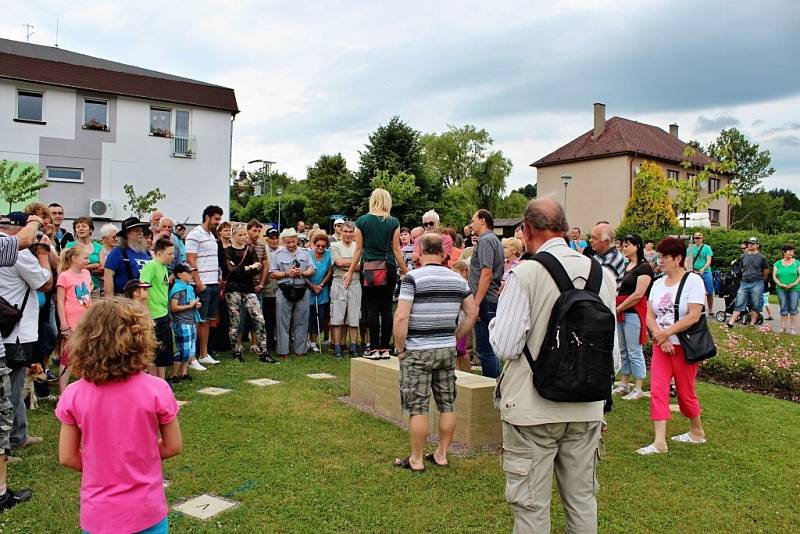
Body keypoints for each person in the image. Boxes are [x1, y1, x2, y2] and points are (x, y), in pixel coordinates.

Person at [489, 198, 618, 533]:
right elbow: (612, 355)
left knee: (531, 507)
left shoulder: (525, 274)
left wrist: (494, 322)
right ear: (564, 228)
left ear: (527, 230)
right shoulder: (602, 276)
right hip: (587, 406)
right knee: (582, 501)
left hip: (533, 407)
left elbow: (505, 345)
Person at [56, 298, 182, 534]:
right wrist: (139, 461)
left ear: (84, 340)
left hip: (99, 515)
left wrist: (103, 466)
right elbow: (173, 446)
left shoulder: (73, 394)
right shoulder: (157, 389)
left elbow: (67, 456)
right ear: (141, 340)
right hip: (147, 510)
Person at [392, 233, 477, 472]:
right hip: (446, 349)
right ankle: (441, 454)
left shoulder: (412, 278)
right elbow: (472, 313)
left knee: (418, 406)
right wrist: (456, 336)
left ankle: (417, 459)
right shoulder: (458, 280)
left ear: (419, 252)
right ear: (443, 254)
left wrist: (400, 348)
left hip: (418, 349)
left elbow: (401, 316)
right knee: (447, 403)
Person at [638, 237, 707, 455]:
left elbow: (694, 316)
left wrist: (666, 334)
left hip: (685, 347)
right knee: (658, 390)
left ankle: (697, 431)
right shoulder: (658, 283)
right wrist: (661, 338)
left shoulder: (693, 281)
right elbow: (649, 314)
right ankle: (659, 441)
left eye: (664, 257)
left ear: (677, 258)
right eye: (659, 256)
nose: (660, 260)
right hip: (662, 346)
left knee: (686, 393)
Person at [0, 206, 48, 511]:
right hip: (18, 332)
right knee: (13, 388)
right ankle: (15, 438)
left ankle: (18, 434)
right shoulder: (18, 253)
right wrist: (41, 248)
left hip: (12, 330)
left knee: (15, 386)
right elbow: (45, 281)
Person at [345, 188, 408, 359]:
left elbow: (358, 249)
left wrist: (350, 271)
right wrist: (406, 271)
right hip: (388, 267)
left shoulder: (362, 221)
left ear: (372, 200)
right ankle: (385, 348)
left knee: (372, 309)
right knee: (387, 309)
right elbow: (396, 249)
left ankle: (373, 348)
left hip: (371, 267)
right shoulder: (393, 222)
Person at [612, 234, 653, 400]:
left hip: (632, 313)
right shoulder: (626, 266)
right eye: (623, 245)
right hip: (621, 312)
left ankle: (638, 387)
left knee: (634, 350)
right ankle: (624, 383)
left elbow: (638, 294)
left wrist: (620, 308)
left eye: (628, 245)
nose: (624, 248)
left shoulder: (644, 268)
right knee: (623, 349)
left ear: (637, 246)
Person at [224, 224, 272, 362]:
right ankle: (236, 351)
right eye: (240, 235)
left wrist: (245, 269)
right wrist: (247, 268)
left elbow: (257, 268)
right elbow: (230, 269)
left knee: (259, 318)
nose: (243, 237)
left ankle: (264, 351)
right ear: (233, 235)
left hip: (248, 287)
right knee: (235, 321)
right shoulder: (228, 250)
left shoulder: (250, 250)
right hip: (232, 288)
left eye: (245, 235)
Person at [185, 206, 223, 367]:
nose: (218, 222)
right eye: (216, 219)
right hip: (202, 284)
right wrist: (198, 282)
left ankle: (204, 354)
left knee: (207, 320)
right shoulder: (194, 234)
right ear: (207, 217)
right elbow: (191, 260)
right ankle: (192, 357)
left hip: (213, 283)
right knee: (198, 321)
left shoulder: (212, 236)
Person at [468, 208, 504, 378]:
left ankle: (492, 388)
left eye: (473, 220)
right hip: (489, 300)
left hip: (484, 301)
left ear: (482, 220)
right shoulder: (494, 240)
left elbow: (486, 273)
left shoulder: (485, 240)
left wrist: (475, 304)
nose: (471, 224)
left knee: (485, 349)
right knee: (490, 348)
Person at [271, 228, 315, 359]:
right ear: (283, 242)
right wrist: (286, 273)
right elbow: (272, 274)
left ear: (297, 239)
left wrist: (301, 273)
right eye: (288, 242)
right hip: (284, 289)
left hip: (302, 289)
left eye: (293, 241)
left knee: (302, 321)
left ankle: (300, 350)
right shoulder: (277, 254)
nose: (291, 244)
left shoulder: (305, 253)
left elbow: (312, 270)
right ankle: (282, 351)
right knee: (282, 321)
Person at [55, 247, 93, 394]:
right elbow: (60, 302)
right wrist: (63, 323)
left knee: (85, 355)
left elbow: (88, 295)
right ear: (74, 259)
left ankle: (84, 389)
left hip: (86, 321)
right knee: (68, 357)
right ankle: (63, 393)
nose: (88, 261)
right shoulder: (64, 276)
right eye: (85, 258)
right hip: (71, 323)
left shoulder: (87, 273)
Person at [138, 238, 175, 380]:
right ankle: (152, 380)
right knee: (153, 350)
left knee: (164, 351)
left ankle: (162, 380)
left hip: (163, 312)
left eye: (173, 254)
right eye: (169, 254)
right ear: (159, 253)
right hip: (152, 315)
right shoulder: (151, 266)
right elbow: (142, 289)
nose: (172, 257)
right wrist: (145, 313)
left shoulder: (164, 268)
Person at [330, 221, 361, 358]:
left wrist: (348, 263)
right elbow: (338, 263)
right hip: (339, 282)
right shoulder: (334, 246)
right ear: (340, 232)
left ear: (354, 232)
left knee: (354, 317)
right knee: (337, 316)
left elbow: (361, 266)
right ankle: (337, 347)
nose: (348, 234)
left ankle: (353, 347)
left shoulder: (358, 246)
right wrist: (353, 263)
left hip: (355, 283)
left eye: (350, 232)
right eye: (345, 232)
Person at [169, 263, 202, 382]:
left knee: (190, 350)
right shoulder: (178, 289)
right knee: (181, 349)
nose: (191, 274)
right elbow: (174, 307)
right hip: (181, 323)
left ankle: (184, 373)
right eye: (188, 272)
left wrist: (196, 305)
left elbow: (191, 303)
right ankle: (174, 374)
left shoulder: (189, 287)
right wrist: (190, 306)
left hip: (191, 321)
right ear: (180, 275)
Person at [103, 217, 151, 295]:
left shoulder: (146, 252)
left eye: (141, 230)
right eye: (136, 231)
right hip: (125, 299)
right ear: (127, 234)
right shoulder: (118, 252)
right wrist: (109, 301)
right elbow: (108, 277)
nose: (141, 233)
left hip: (144, 298)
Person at [727, 237, 769, 328]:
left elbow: (766, 270)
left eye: (753, 243)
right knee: (739, 300)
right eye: (749, 243)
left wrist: (762, 280)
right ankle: (731, 322)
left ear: (757, 245)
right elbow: (742, 268)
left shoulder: (762, 257)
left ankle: (752, 323)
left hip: (757, 282)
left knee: (755, 302)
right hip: (744, 282)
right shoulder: (743, 256)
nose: (750, 245)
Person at [308, 233, 333, 353]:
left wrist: (321, 285)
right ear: (313, 244)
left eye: (323, 246)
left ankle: (313, 342)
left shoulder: (329, 255)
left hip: (322, 290)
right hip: (308, 289)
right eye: (318, 245)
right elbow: (303, 273)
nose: (320, 248)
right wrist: (312, 286)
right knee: (308, 316)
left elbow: (329, 271)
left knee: (320, 317)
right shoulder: (308, 254)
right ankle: (306, 341)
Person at [65, 217, 103, 294]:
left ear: (91, 229)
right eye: (78, 227)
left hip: (95, 287)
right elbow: (67, 266)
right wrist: (95, 265)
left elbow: (102, 268)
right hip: (75, 287)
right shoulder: (70, 246)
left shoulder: (99, 246)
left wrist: (81, 267)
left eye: (84, 226)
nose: (80, 229)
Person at [262, 228, 281, 355]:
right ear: (267, 238)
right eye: (271, 238)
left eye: (276, 238)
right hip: (268, 286)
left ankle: (278, 340)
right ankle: (269, 341)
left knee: (279, 316)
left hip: (280, 286)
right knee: (268, 316)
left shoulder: (282, 250)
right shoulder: (263, 250)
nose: (274, 240)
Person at [685, 232, 714, 315]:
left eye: (698, 238)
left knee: (709, 291)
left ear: (702, 239)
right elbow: (687, 260)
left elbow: (709, 260)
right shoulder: (690, 248)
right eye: (695, 238)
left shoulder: (707, 248)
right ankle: (695, 310)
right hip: (694, 271)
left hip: (706, 271)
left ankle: (710, 309)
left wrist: (703, 268)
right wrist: (688, 269)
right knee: (694, 292)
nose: (696, 239)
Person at [773, 244, 800, 334]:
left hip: (794, 288)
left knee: (793, 307)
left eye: (792, 251)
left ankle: (793, 328)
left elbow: (799, 275)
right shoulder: (777, 263)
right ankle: (783, 328)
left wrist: (794, 283)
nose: (791, 253)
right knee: (783, 307)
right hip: (781, 288)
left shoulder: (797, 263)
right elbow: (774, 276)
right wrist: (780, 284)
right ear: (784, 252)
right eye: (789, 251)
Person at [590, 222, 625, 288]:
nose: (590, 240)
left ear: (606, 241)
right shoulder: (601, 253)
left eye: (594, 238)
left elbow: (596, 285)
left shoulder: (612, 260)